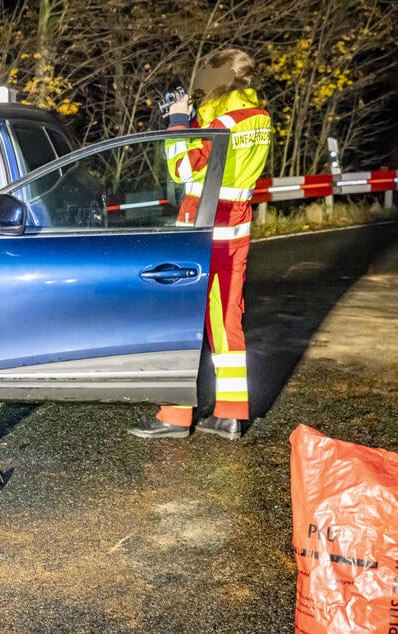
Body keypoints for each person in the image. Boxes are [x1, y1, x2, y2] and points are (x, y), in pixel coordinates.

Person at [129, 48, 272, 440]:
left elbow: (183, 169)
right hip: (235, 229)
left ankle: (175, 416)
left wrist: (177, 124)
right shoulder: (259, 117)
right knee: (227, 321)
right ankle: (230, 413)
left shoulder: (222, 121)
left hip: (201, 228)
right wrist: (196, 122)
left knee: (181, 317)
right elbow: (226, 163)